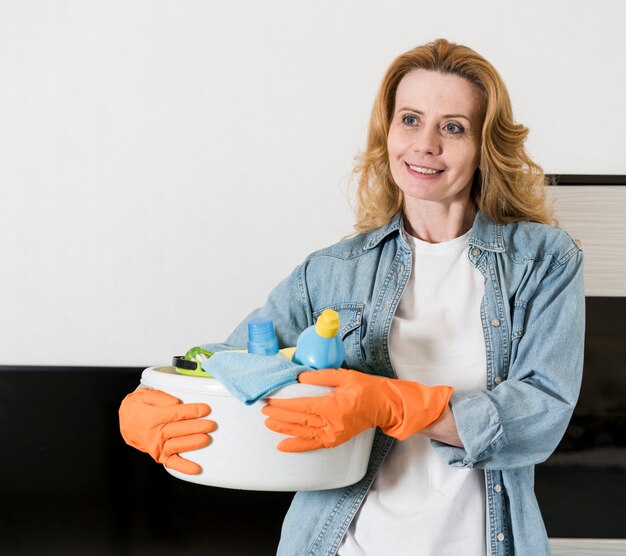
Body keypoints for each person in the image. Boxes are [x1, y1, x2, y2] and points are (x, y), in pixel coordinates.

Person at [119, 38, 585, 555]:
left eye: (452, 127)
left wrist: (393, 402)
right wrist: (150, 400)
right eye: (410, 119)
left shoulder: (542, 261)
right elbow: (237, 365)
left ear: (483, 146)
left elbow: (542, 414)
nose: (425, 144)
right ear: (387, 132)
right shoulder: (333, 271)